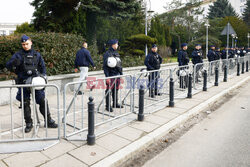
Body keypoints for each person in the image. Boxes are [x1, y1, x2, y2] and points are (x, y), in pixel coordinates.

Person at [6, 35, 58, 133]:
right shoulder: (18, 55)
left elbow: (43, 68)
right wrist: (13, 63)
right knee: (25, 103)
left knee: (42, 101)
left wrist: (43, 77)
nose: (25, 46)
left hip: (36, 82)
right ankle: (29, 123)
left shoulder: (37, 55)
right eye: (23, 44)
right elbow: (8, 65)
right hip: (23, 83)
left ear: (31, 43)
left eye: (27, 44)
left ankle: (48, 120)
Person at [103, 39, 123, 112]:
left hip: (117, 74)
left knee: (116, 89)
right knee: (109, 90)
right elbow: (105, 66)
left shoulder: (116, 53)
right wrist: (107, 77)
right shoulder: (107, 54)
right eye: (116, 44)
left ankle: (115, 103)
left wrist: (121, 74)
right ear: (113, 44)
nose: (117, 45)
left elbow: (119, 63)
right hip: (111, 75)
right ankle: (108, 106)